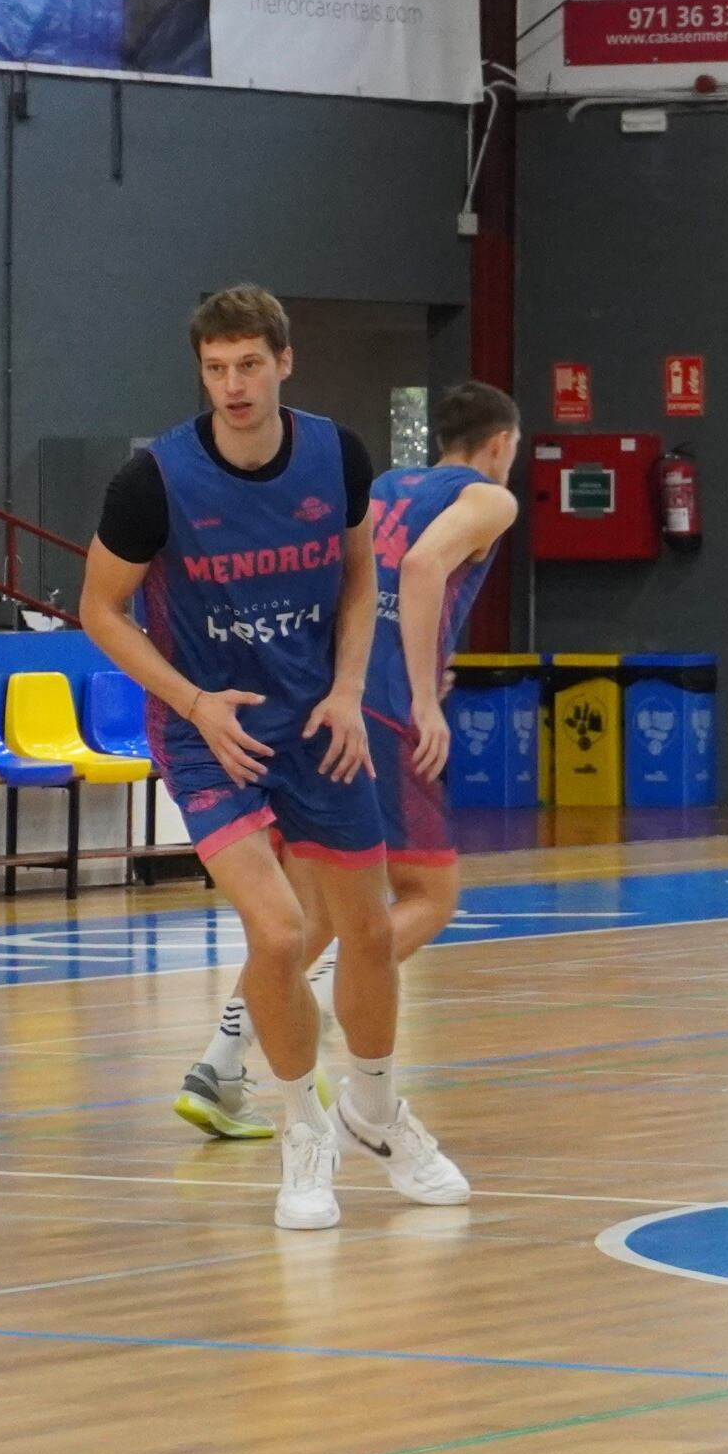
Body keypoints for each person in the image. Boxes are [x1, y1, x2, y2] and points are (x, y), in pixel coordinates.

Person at [85, 292, 462, 1226]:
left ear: (284, 362)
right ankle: (303, 1126)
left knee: (367, 930)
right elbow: (99, 610)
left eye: (249, 364)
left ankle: (376, 1109)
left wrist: (347, 688)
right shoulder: (152, 482)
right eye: (216, 368)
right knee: (282, 932)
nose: (233, 385)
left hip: (316, 721)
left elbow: (361, 575)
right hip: (209, 732)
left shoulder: (337, 455)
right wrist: (193, 701)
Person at [178, 381, 526, 1101]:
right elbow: (424, 566)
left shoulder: (389, 485)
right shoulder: (492, 498)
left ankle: (220, 1063)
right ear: (500, 443)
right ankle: (331, 1007)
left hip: (326, 695)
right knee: (429, 893)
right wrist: (424, 693)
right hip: (385, 709)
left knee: (310, 914)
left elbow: (337, 574)